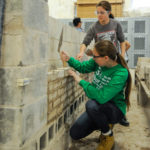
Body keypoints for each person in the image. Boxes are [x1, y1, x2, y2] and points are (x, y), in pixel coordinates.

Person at [60, 40, 132, 150]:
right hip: (99, 107)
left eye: (95, 56)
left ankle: (108, 135)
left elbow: (102, 97)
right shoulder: (98, 62)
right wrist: (69, 59)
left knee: (91, 105)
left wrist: (79, 80)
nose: (93, 58)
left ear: (106, 58)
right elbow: (82, 67)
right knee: (75, 133)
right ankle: (103, 123)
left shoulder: (121, 73)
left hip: (114, 109)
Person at [77, 0, 130, 126]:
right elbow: (85, 42)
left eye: (102, 12)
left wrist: (122, 55)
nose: (99, 15)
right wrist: (81, 52)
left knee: (118, 89)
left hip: (114, 60)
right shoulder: (94, 27)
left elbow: (122, 41)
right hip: (102, 60)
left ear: (108, 12)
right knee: (105, 86)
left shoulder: (115, 24)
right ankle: (103, 112)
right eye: (97, 12)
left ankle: (120, 114)